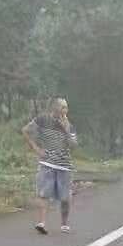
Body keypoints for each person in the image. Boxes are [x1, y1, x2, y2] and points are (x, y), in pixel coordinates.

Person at [22, 97, 77, 235]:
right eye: (63, 107)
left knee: (65, 197)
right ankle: (41, 223)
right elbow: (25, 130)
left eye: (66, 107)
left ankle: (64, 224)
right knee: (43, 194)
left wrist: (66, 129)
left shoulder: (69, 125)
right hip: (46, 163)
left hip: (64, 165)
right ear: (55, 108)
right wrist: (35, 148)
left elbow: (74, 146)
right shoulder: (42, 119)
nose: (66, 110)